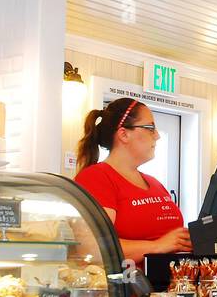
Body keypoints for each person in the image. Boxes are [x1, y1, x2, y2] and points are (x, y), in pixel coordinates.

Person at [74, 97, 191, 263]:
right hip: (129, 287)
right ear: (123, 134)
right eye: (150, 128)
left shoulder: (155, 183)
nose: (157, 136)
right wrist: (157, 246)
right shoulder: (96, 178)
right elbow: (92, 248)